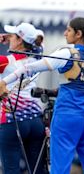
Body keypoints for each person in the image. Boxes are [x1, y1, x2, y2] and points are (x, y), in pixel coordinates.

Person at [0, 17, 84, 174]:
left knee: (60, 168)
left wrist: (4, 81)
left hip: (67, 118)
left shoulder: (66, 53)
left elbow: (28, 68)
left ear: (78, 34)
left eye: (68, 30)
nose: (65, 33)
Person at [0, 23, 46, 173]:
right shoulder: (38, 58)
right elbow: (39, 42)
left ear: (19, 40)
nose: (8, 38)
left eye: (11, 36)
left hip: (12, 121)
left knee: (11, 170)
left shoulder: (6, 61)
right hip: (35, 121)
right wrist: (14, 38)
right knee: (37, 170)